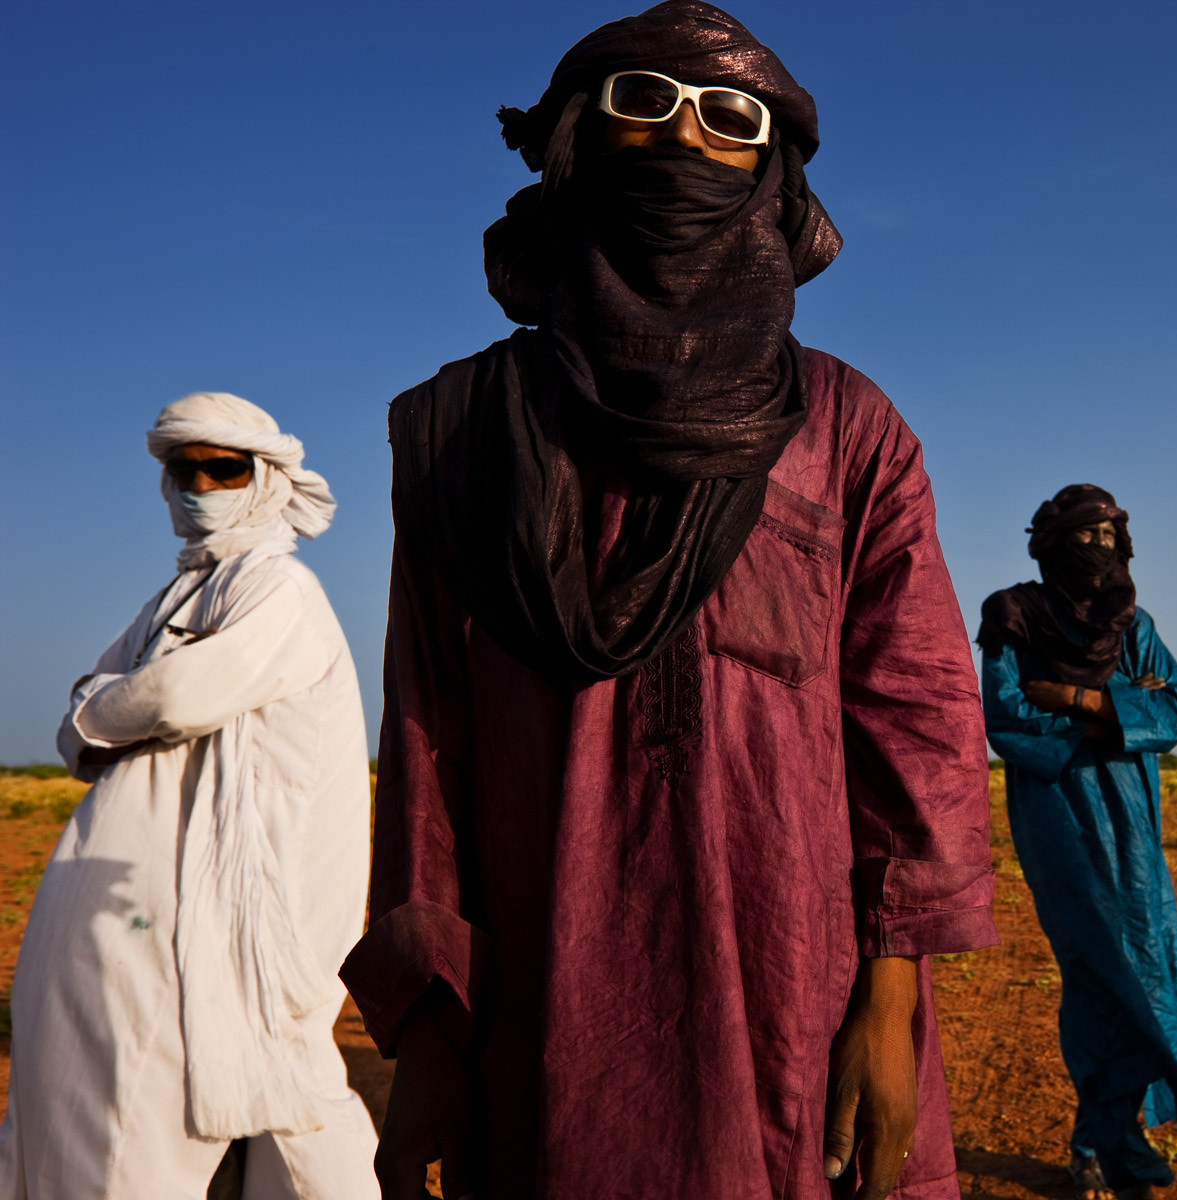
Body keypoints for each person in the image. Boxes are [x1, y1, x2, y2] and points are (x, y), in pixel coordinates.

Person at [338, 4, 997, 1198]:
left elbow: (920, 723)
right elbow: (426, 737)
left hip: (802, 989)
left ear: (769, 171)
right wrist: (431, 1027)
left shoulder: (846, 427)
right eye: (645, 103)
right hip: (551, 999)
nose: (687, 138)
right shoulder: (466, 434)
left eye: (729, 117)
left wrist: (891, 1000)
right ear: (579, 144)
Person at [0, 393, 378, 1199]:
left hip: (239, 911)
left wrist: (108, 704)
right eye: (184, 470)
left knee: (257, 1109)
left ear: (265, 478)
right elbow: (79, 722)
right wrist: (108, 705)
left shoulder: (277, 589)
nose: (201, 486)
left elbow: (169, 698)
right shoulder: (171, 600)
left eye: (224, 468)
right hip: (142, 910)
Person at [977, 485, 1177, 1200]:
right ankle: (1110, 1145)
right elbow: (1007, 716)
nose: (1099, 548)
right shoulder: (1013, 615)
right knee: (1098, 969)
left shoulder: (1134, 623)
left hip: (1134, 813)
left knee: (1148, 964)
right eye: (1084, 535)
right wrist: (1124, 707)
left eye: (1110, 535)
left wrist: (1079, 699)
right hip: (1059, 809)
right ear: (1051, 545)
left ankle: (1100, 1138)